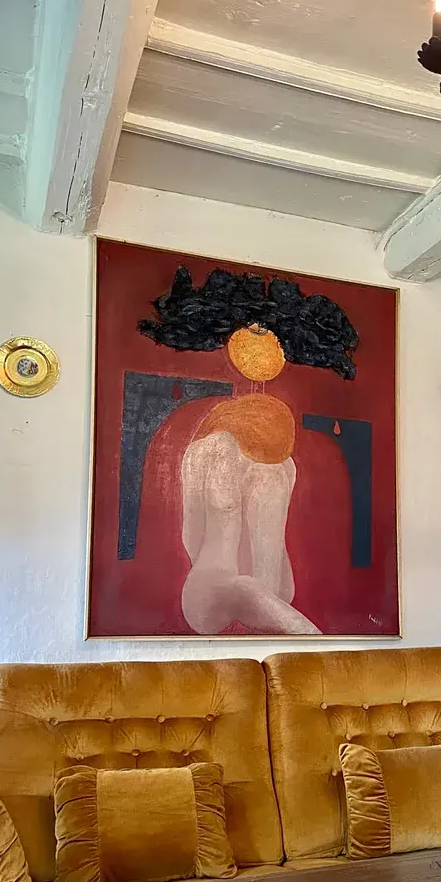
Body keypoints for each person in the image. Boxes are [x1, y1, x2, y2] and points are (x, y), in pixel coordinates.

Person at [139, 267, 358, 635]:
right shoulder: (209, 451)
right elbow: (191, 533)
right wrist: (217, 565)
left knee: (253, 590)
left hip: (274, 590)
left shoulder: (285, 466)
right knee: (247, 589)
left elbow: (198, 533)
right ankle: (322, 647)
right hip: (215, 590)